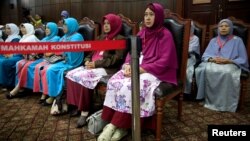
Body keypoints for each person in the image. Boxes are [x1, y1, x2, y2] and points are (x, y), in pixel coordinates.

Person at [98, 3, 177, 141]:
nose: (147, 18)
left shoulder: (165, 35)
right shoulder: (141, 33)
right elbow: (131, 52)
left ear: (158, 16)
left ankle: (114, 125)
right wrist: (128, 65)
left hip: (155, 71)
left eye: (151, 15)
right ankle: (122, 127)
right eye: (146, 15)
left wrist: (140, 69)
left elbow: (164, 61)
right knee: (115, 81)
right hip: (137, 66)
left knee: (133, 86)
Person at [65, 13, 126, 128]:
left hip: (106, 68)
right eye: (105, 24)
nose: (106, 26)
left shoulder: (120, 39)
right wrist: (87, 61)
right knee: (71, 74)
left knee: (85, 77)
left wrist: (95, 64)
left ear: (115, 24)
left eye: (109, 23)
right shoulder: (101, 37)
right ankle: (77, 104)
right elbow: (91, 53)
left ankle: (85, 111)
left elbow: (115, 59)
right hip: (93, 66)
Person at [195, 19, 249, 112]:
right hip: (214, 63)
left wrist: (228, 60)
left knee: (227, 72)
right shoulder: (213, 40)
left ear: (231, 28)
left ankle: (225, 103)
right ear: (218, 28)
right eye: (221, 26)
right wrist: (212, 59)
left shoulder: (238, 40)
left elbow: (243, 58)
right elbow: (206, 55)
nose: (223, 28)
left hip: (230, 63)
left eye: (226, 26)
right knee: (203, 69)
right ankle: (207, 98)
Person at [43, 17, 84, 110]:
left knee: (58, 71)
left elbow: (68, 49)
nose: (64, 27)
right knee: (50, 70)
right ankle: (53, 95)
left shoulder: (77, 36)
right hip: (65, 61)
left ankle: (59, 97)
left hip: (74, 63)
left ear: (71, 26)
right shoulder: (65, 37)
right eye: (63, 25)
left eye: (66, 25)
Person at [6, 23, 42, 99]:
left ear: (28, 28)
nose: (22, 29)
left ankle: (17, 89)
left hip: (35, 58)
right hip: (27, 57)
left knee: (25, 66)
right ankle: (23, 87)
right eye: (21, 28)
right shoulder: (23, 37)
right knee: (18, 63)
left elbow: (37, 51)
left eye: (24, 28)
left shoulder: (32, 37)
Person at [30, 22, 61, 104]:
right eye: (46, 28)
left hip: (53, 60)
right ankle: (42, 92)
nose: (46, 30)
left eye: (49, 28)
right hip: (45, 59)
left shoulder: (56, 38)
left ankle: (45, 93)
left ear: (54, 29)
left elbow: (49, 50)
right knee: (36, 68)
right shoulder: (45, 39)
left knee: (44, 70)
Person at [0, 23, 22, 91]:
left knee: (3, 62)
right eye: (6, 28)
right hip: (7, 54)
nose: (6, 30)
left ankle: (6, 84)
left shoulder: (16, 39)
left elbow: (15, 51)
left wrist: (8, 54)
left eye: (9, 28)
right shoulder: (8, 38)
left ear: (13, 29)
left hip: (16, 55)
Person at [184, 21, 200, 96]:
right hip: (179, 57)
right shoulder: (181, 35)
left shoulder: (195, 38)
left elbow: (191, 50)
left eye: (189, 27)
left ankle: (186, 92)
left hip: (190, 57)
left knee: (187, 70)